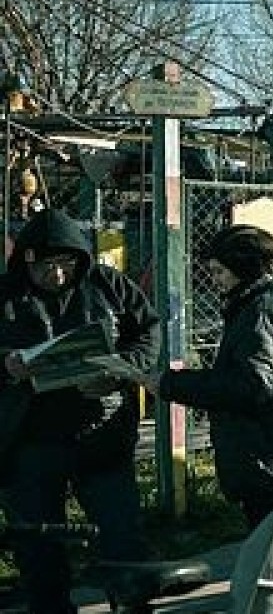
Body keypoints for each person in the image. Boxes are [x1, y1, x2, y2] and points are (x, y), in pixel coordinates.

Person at [0, 209, 157, 614]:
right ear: (26, 260)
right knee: (38, 544)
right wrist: (7, 364)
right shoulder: (6, 294)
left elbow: (148, 332)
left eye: (65, 263)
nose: (56, 275)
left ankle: (132, 603)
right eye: (45, 266)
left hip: (102, 435)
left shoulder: (108, 284)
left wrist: (120, 372)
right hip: (30, 440)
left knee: (121, 536)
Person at [153, 226, 273, 524]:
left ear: (243, 268)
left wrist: (170, 384)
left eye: (219, 272)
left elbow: (251, 385)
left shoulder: (269, 308)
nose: (215, 281)